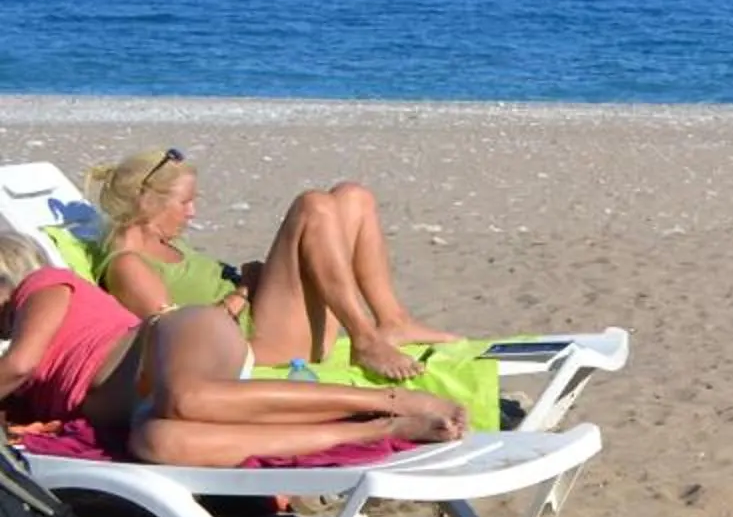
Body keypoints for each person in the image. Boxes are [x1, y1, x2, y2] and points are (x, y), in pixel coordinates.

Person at [1, 232, 462, 465]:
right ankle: (373, 429)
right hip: (149, 402)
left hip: (177, 337)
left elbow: (20, 365)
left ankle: (390, 399)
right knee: (159, 442)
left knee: (189, 398)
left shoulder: (41, 287)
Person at [90, 148, 457, 383]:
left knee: (353, 197)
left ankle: (393, 321)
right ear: (146, 201)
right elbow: (179, 339)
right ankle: (365, 339)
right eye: (184, 203)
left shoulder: (161, 239)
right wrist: (243, 292)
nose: (193, 212)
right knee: (312, 205)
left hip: (266, 314)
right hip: (259, 343)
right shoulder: (128, 268)